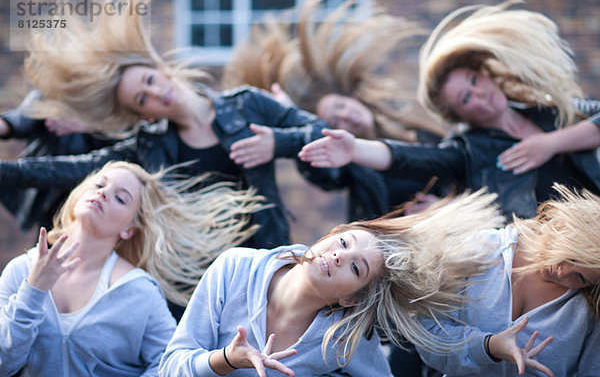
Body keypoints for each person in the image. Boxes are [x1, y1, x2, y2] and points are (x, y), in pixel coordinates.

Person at [2, 0, 335, 248]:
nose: (155, 93)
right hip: (195, 273)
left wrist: (277, 143)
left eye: (149, 80)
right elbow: (64, 169)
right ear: (143, 116)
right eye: (142, 99)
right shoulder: (148, 147)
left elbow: (323, 134)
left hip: (263, 255)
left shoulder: (247, 104)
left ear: (161, 69)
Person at [299, 0, 600, 219]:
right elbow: (412, 158)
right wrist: (354, 150)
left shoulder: (549, 109)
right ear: (460, 117)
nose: (480, 94)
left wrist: (549, 144)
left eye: (474, 80)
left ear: (487, 74)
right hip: (565, 253)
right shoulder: (469, 152)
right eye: (466, 99)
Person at [158, 188, 508, 376]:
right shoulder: (234, 268)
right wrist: (226, 360)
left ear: (350, 300)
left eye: (356, 269)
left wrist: (487, 345)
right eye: (343, 243)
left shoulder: (343, 339)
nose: (340, 256)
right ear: (331, 234)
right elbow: (170, 368)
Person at [0, 161, 263, 376]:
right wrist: (33, 290)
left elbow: (167, 365)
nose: (103, 193)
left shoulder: (140, 292)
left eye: (120, 198)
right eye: (100, 185)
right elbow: (4, 363)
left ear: (128, 230)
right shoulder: (21, 271)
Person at [416, 184, 600, 376]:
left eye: (580, 277)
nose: (562, 272)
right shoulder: (482, 248)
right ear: (561, 227)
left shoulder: (590, 309)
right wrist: (488, 346)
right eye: (569, 257)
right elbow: (426, 334)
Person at [222, 0, 451, 143]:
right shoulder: (351, 168)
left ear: (351, 97)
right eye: (334, 122)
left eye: (340, 106)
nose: (346, 116)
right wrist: (292, 118)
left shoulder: (420, 134)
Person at [0, 90, 119, 231]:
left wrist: (92, 126)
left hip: (96, 206)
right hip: (51, 202)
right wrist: (5, 124)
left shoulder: (127, 105)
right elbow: (24, 117)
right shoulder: (58, 87)